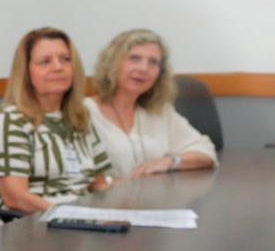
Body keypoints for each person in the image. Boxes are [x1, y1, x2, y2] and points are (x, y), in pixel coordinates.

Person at [1, 27, 113, 214]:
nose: (58, 67)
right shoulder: (11, 120)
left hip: (85, 219)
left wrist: (118, 211)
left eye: (65, 59)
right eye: (45, 61)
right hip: (37, 225)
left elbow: (99, 184)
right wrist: (71, 215)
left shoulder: (80, 115)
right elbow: (15, 198)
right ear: (26, 73)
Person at [85, 29, 218, 179]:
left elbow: (206, 151)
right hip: (103, 201)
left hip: (154, 200)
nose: (143, 69)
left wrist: (170, 161)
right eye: (134, 58)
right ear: (112, 63)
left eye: (153, 62)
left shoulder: (159, 113)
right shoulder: (83, 112)